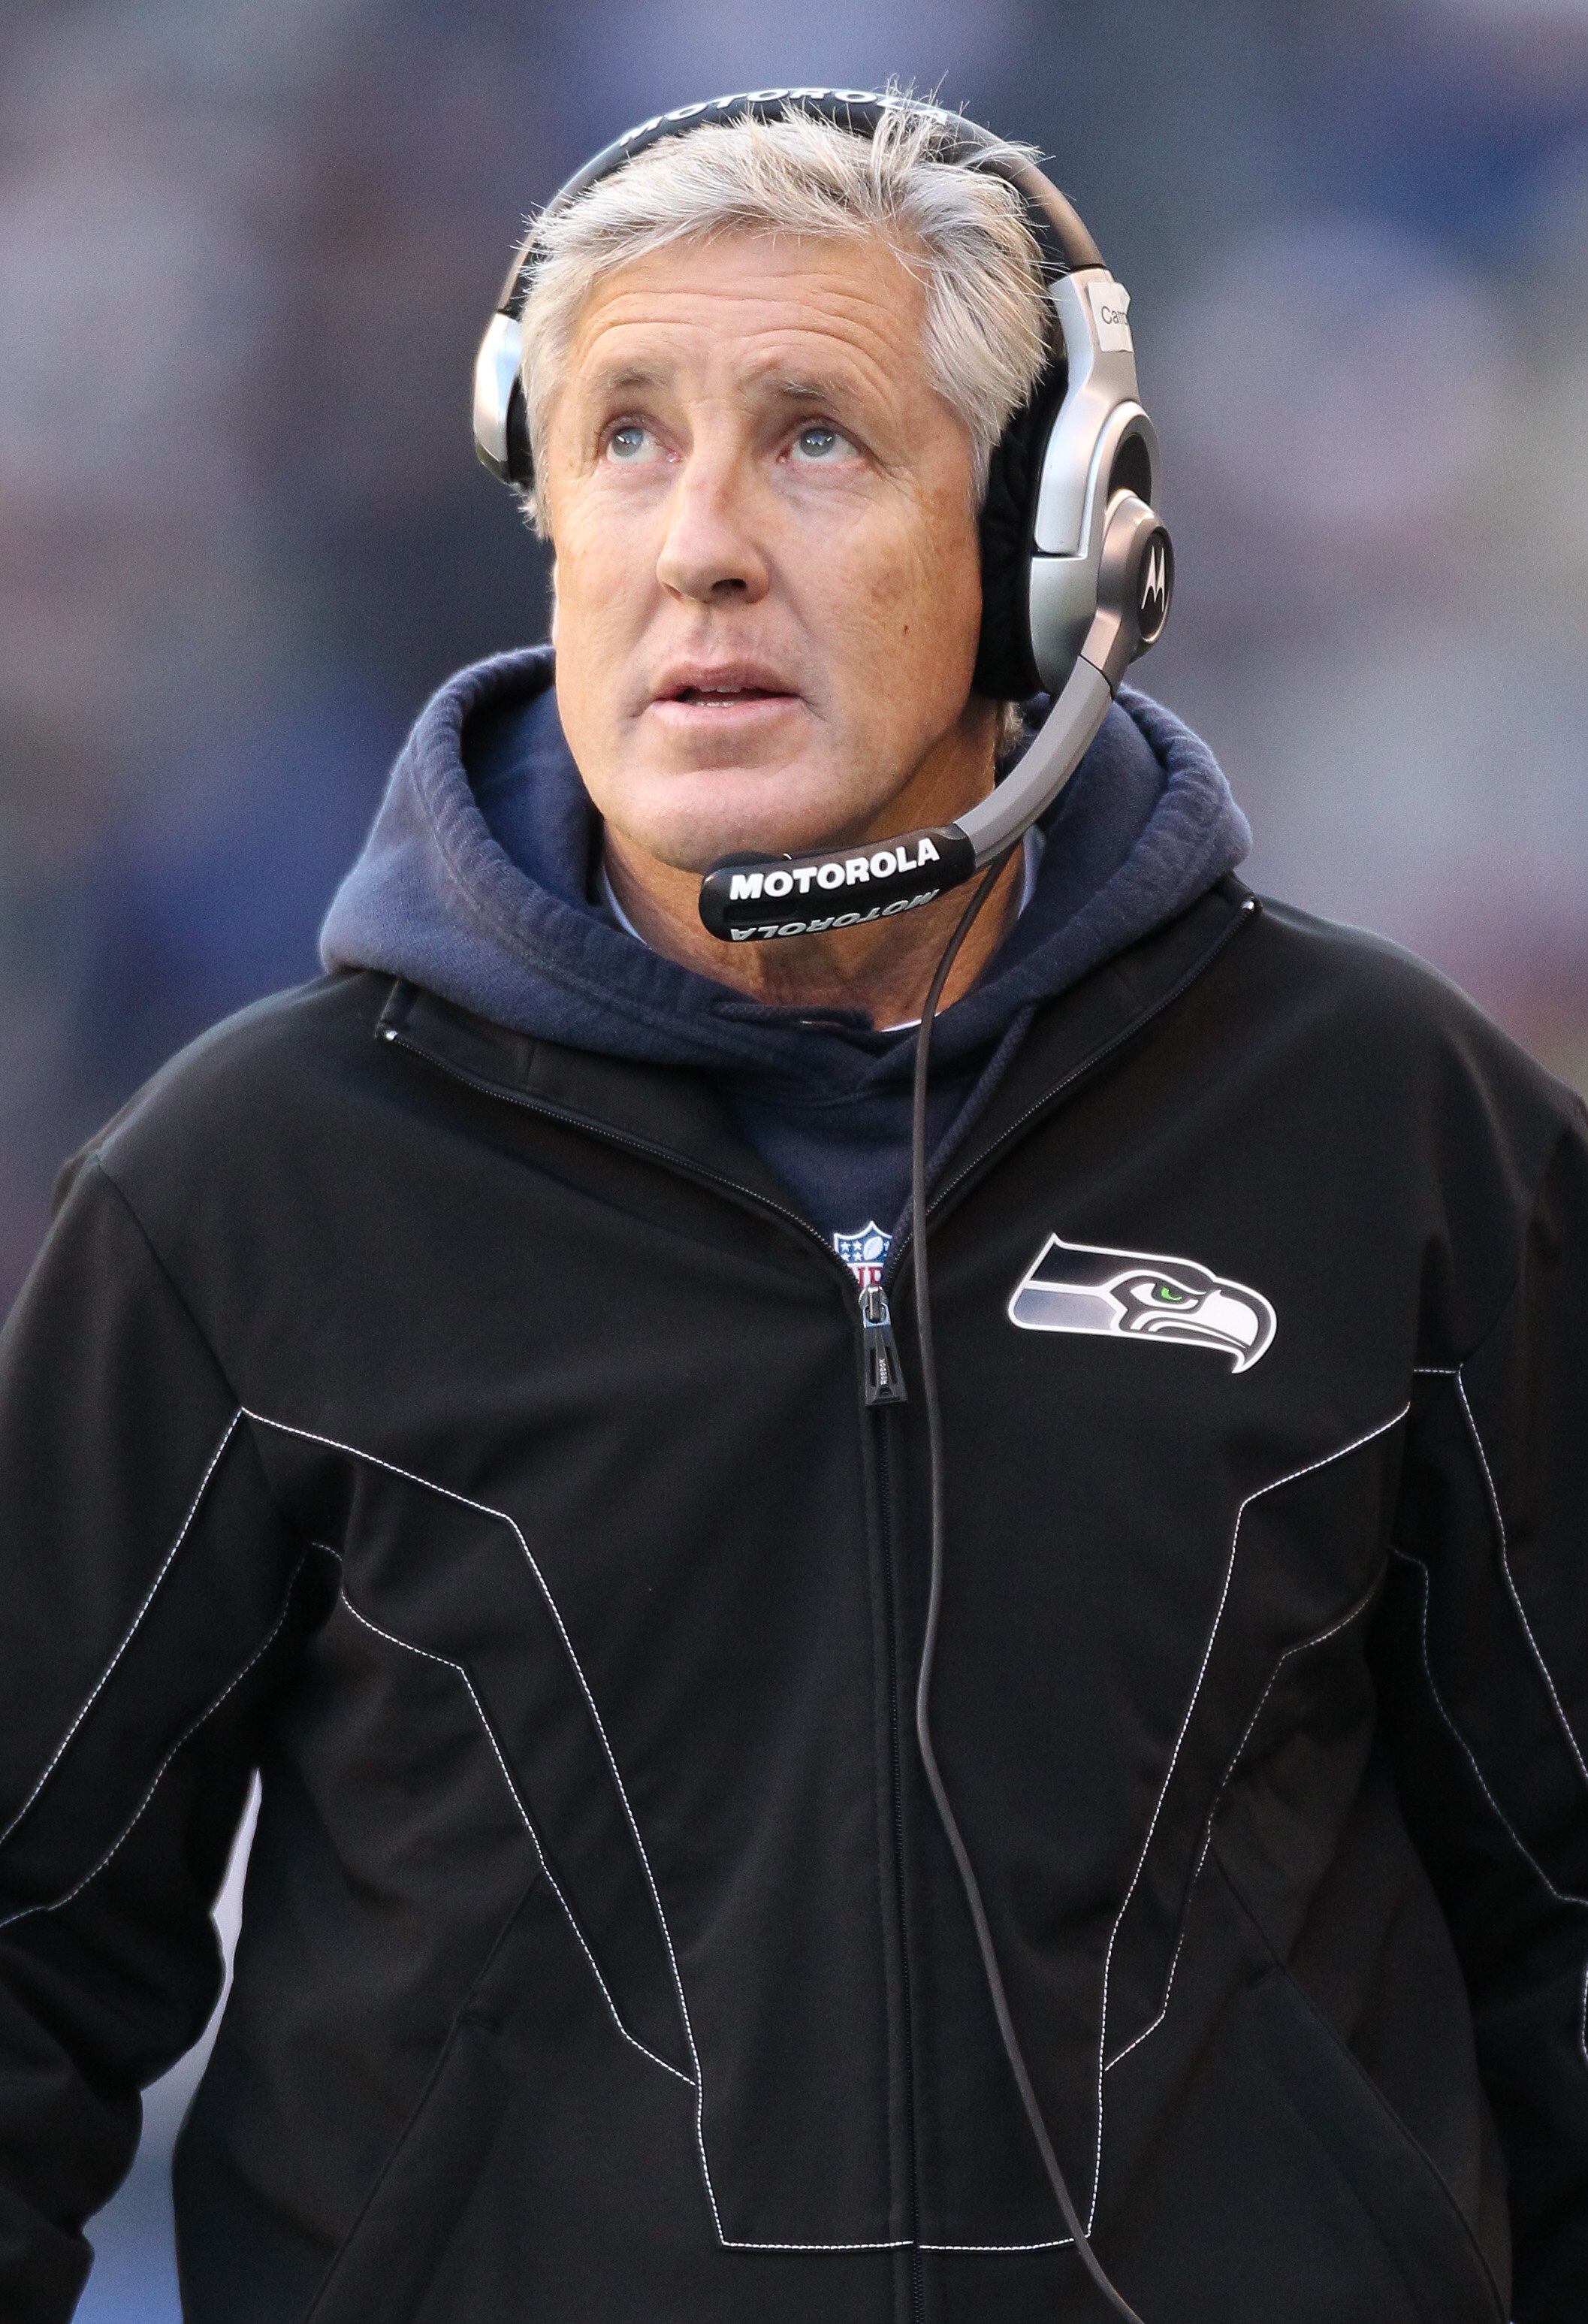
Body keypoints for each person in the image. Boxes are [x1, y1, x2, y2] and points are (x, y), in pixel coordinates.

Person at [0, 87, 1583, 2324]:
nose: (698, 543)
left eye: (813, 438)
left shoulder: (1399, 1135)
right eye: (625, 436)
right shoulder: (243, 1192)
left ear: (1048, 550)